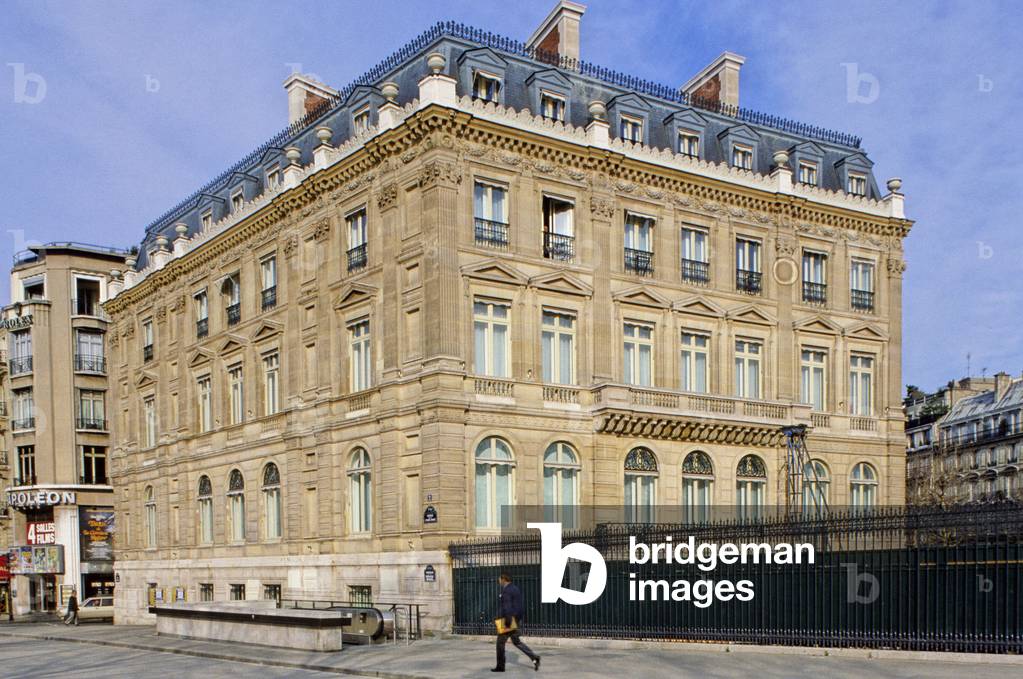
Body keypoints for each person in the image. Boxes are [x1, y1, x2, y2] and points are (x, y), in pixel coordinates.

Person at [492, 573, 540, 673]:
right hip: (516, 619)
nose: (499, 582)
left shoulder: (507, 591)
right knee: (516, 641)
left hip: (508, 620)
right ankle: (534, 657)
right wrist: (517, 620)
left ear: (503, 579)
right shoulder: (515, 588)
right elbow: (519, 606)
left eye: (499, 580)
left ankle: (500, 667)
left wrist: (508, 622)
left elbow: (507, 607)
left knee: (500, 643)